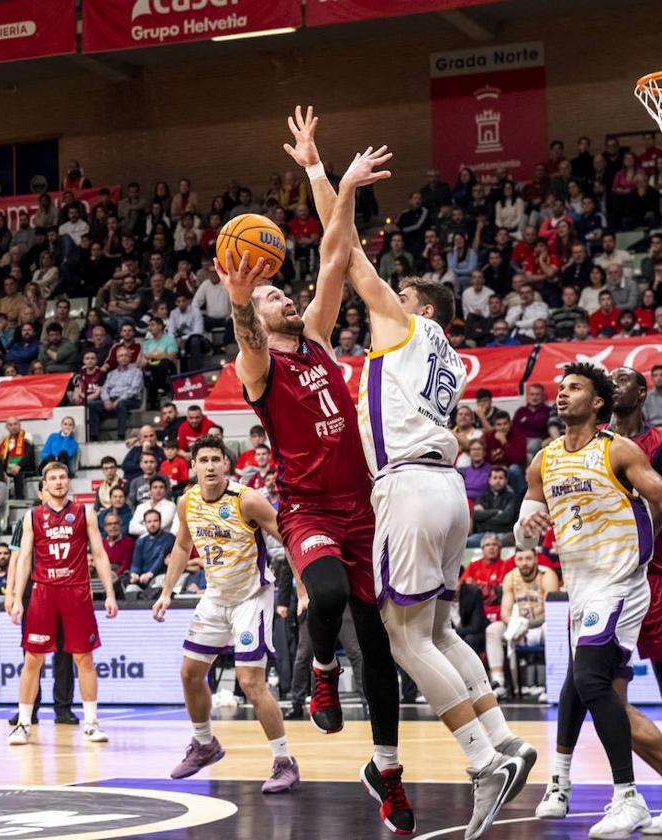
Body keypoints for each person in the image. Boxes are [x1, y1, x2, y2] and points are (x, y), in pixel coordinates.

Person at [327, 140, 534, 838]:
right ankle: (505, 738)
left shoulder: (404, 326)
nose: (387, 294)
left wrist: (333, 180)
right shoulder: (442, 350)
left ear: (415, 305)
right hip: (448, 490)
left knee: (404, 637)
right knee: (442, 628)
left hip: (411, 487)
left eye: (400, 291)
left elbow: (345, 255)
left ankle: (483, 763)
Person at [222, 108, 407, 834]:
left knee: (384, 653)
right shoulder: (258, 364)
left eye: (278, 291)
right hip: (308, 510)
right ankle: (322, 668)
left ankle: (388, 773)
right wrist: (241, 299)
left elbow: (337, 255)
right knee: (322, 591)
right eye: (272, 296)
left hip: (366, 510)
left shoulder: (322, 342)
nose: (284, 296)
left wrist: (325, 173)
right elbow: (245, 334)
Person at [519, 362, 662, 838]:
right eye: (560, 388)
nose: (561, 395)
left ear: (598, 401)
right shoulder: (543, 460)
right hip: (582, 587)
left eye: (574, 388)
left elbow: (660, 491)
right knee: (596, 692)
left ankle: (627, 798)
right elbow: (525, 520)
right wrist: (527, 526)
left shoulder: (618, 449)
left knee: (588, 677)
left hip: (624, 582)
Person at [152, 435, 300, 792]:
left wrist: (303, 587)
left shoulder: (247, 500)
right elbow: (183, 544)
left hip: (252, 597)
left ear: (226, 465)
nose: (210, 466)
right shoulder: (187, 501)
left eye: (216, 459)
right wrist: (166, 592)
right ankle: (204, 745)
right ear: (194, 467)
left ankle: (284, 761)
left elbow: (288, 536)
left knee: (250, 682)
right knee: (190, 674)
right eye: (203, 460)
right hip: (216, 597)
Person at [5, 461, 118, 746]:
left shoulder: (84, 512)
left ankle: (91, 722)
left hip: (77, 591)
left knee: (84, 658)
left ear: (68, 481)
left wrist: (110, 593)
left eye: (63, 477)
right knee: (33, 659)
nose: (58, 482)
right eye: (53, 478)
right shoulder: (33, 516)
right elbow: (24, 559)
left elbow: (101, 555)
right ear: (44, 484)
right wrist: (18, 598)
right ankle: (22, 723)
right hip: (43, 592)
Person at [492, 548, 559, 695]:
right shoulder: (510, 577)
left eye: (528, 558)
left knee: (552, 627)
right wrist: (516, 624)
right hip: (518, 626)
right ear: (515, 561)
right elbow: (504, 612)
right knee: (493, 629)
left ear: (536, 559)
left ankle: (553, 685)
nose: (524, 563)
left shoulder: (547, 575)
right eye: (520, 559)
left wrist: (527, 624)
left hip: (541, 625)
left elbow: (552, 612)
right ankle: (499, 683)